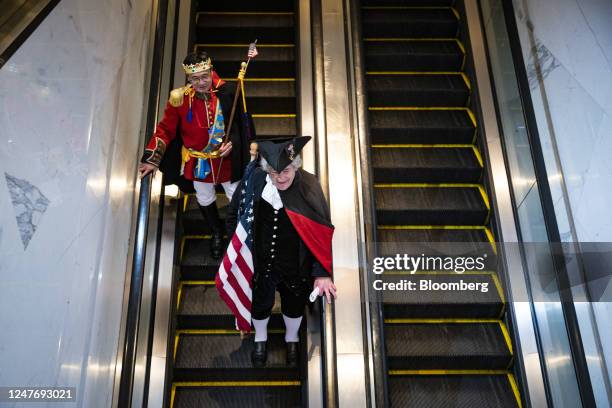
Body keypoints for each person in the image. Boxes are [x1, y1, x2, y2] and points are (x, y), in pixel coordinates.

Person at [225, 136, 337, 367]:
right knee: (260, 303)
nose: (280, 177)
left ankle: (292, 337)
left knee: (294, 305)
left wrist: (322, 272)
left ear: (295, 166)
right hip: (261, 263)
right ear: (265, 170)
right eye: (273, 172)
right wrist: (234, 248)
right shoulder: (254, 180)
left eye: (285, 171)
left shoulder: (310, 186)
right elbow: (235, 212)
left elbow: (321, 231)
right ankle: (260, 337)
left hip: (295, 265)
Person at [139, 51, 252, 259]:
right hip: (198, 162)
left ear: (211, 71)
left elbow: (243, 127)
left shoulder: (229, 92)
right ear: (188, 79)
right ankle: (217, 232)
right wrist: (152, 159)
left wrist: (234, 144)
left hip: (226, 161)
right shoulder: (179, 99)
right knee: (204, 196)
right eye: (195, 79)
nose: (201, 82)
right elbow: (165, 130)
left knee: (236, 196)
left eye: (204, 77)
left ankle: (238, 235)